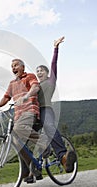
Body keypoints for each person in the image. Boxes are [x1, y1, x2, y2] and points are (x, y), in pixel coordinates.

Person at [0, 58, 41, 182]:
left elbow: (35, 88)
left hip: (30, 111)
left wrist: (26, 96)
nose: (13, 67)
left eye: (16, 65)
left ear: (23, 67)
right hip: (18, 116)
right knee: (15, 140)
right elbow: (6, 97)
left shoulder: (29, 76)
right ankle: (32, 167)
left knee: (18, 130)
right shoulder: (12, 83)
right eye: (12, 66)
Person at [36, 36, 76, 174]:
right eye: (37, 71)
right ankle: (35, 167)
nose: (39, 72)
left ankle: (63, 156)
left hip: (46, 110)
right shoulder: (35, 85)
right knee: (24, 134)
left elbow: (54, 63)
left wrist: (55, 48)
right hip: (35, 113)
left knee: (49, 127)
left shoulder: (50, 81)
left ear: (47, 73)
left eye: (41, 70)